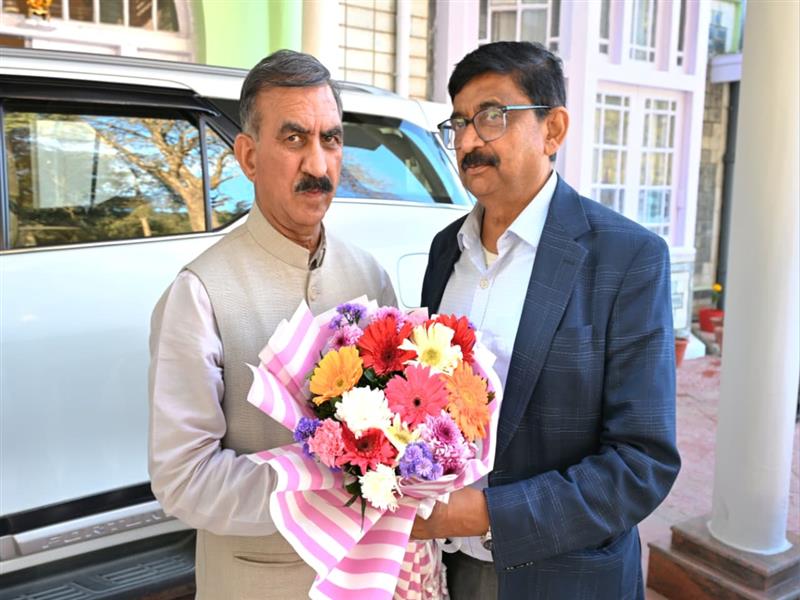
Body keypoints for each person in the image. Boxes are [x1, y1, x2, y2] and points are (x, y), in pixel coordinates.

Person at [411, 41, 680, 599]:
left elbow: (642, 463)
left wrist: (484, 514)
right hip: (445, 571)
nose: (468, 141)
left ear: (552, 130)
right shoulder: (444, 251)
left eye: (492, 115)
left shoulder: (626, 258)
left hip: (566, 576)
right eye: (458, 122)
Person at [148, 50, 395, 599]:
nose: (318, 165)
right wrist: (328, 486)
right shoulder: (200, 293)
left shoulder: (369, 274)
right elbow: (183, 479)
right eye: (294, 139)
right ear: (248, 156)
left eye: (330, 139)